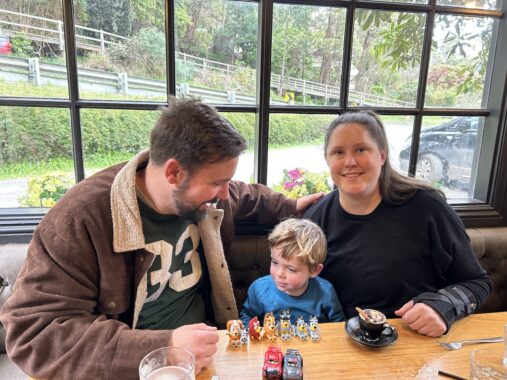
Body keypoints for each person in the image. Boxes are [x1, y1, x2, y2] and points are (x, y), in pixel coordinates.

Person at [0, 97, 322, 380]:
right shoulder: (80, 219)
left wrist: (292, 206)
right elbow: (33, 333)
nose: (225, 194)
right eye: (217, 183)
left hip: (213, 359)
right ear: (173, 173)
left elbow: (245, 194)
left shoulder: (206, 194)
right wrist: (164, 347)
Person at [303, 110, 491, 338]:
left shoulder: (428, 208)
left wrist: (443, 306)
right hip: (338, 346)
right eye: (338, 152)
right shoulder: (314, 220)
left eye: (361, 149)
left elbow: (478, 283)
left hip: (414, 343)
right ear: (327, 159)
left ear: (382, 155)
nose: (350, 162)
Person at [240, 218, 345, 326]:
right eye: (275, 262)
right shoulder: (259, 289)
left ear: (314, 270)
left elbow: (339, 325)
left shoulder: (326, 292)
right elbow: (247, 317)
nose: (279, 274)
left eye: (291, 269)